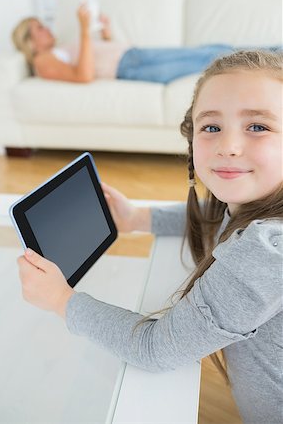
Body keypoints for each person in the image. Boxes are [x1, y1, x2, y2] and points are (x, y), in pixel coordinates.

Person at [17, 49, 283, 424]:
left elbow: (155, 349)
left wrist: (61, 300)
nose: (229, 146)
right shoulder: (252, 206)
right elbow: (214, 217)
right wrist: (137, 217)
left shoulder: (267, 252)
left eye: (258, 126)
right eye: (211, 127)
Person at [12, 6, 239, 83]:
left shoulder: (59, 49)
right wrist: (83, 29)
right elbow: (83, 75)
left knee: (211, 48)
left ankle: (272, 53)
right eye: (39, 28)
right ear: (29, 42)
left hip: (132, 55)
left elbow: (97, 57)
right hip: (131, 66)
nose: (46, 28)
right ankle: (273, 55)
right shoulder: (42, 60)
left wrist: (106, 33)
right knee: (212, 56)